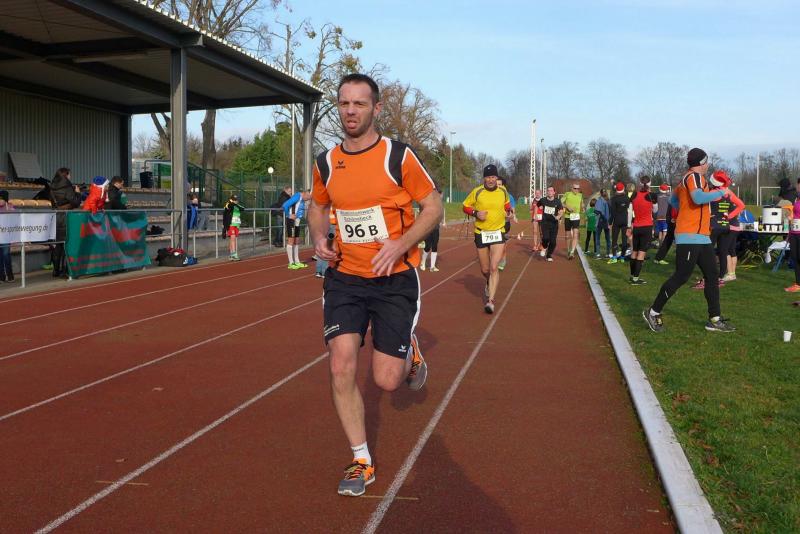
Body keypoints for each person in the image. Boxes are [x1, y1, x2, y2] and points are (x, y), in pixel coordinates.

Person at [307, 73, 442, 497]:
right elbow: (317, 205)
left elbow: (433, 206)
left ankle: (408, 350)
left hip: (393, 278)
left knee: (386, 380)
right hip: (345, 278)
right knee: (340, 364)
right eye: (344, 103)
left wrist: (400, 243)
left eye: (359, 104)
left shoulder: (397, 157)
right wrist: (318, 238)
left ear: (376, 109)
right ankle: (361, 460)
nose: (350, 111)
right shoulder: (326, 162)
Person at [643, 148, 735, 333]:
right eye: (706, 162)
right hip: (690, 236)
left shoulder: (688, 179)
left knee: (712, 276)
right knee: (682, 276)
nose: (708, 165)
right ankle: (653, 312)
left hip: (702, 237)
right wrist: (720, 193)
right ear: (702, 163)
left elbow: (673, 201)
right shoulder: (694, 177)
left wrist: (686, 210)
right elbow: (698, 198)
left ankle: (715, 319)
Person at [463, 164, 513, 313]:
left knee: (494, 267)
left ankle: (490, 301)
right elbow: (465, 206)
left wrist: (509, 211)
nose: (491, 180)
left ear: (496, 177)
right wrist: (476, 213)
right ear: (484, 178)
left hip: (498, 232)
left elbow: (507, 205)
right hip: (481, 233)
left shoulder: (503, 191)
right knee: (485, 269)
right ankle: (488, 281)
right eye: (488, 177)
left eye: (493, 177)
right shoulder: (477, 191)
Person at [696, 170, 744, 288]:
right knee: (723, 252)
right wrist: (729, 217)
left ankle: (707, 277)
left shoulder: (711, 193)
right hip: (726, 226)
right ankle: (720, 278)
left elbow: (700, 205)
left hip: (713, 226)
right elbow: (741, 205)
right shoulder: (728, 192)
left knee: (708, 252)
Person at [49, 167, 81, 278]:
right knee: (67, 244)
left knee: (57, 245)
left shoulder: (52, 187)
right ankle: (65, 270)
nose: (70, 176)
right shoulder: (67, 187)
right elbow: (75, 202)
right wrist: (78, 193)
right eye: (69, 174)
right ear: (66, 175)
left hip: (56, 216)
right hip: (66, 216)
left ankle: (55, 270)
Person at [627, 176, 658, 285]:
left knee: (634, 252)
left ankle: (632, 276)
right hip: (647, 227)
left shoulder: (634, 194)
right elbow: (655, 210)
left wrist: (628, 227)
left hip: (636, 226)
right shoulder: (652, 195)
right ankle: (635, 279)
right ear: (650, 183)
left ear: (640, 183)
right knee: (641, 253)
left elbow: (629, 212)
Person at [282, 189, 312, 269]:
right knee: (291, 241)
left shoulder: (302, 199)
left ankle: (297, 261)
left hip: (297, 221)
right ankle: (291, 263)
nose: (308, 199)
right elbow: (285, 205)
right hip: (291, 221)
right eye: (308, 197)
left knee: (296, 241)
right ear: (306, 193)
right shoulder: (297, 196)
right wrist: (288, 215)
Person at [537, 186, 564, 262]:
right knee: (545, 238)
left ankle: (549, 255)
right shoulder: (543, 200)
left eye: (551, 191)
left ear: (554, 192)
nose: (549, 192)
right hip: (545, 223)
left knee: (553, 242)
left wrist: (558, 216)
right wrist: (538, 210)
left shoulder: (557, 201)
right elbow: (537, 205)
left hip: (554, 224)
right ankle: (544, 247)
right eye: (548, 190)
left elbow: (561, 210)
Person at [495, 177, 517, 271]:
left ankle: (502, 260)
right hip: (492, 224)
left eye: (499, 185)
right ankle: (495, 259)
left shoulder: (509, 196)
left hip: (504, 223)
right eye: (496, 184)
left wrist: (511, 215)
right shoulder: (490, 195)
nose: (497, 186)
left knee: (501, 244)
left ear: (503, 186)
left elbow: (512, 211)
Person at [608, 182, 631, 263]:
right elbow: (628, 209)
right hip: (625, 220)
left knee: (614, 239)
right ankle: (622, 257)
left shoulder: (614, 199)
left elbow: (612, 212)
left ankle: (614, 257)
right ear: (623, 189)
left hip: (617, 220)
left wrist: (610, 223)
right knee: (624, 239)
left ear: (616, 189)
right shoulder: (627, 198)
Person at [420, 191, 442, 272]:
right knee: (427, 246)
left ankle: (432, 267)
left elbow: (440, 213)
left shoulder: (439, 204)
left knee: (435, 246)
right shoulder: (426, 203)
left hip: (436, 228)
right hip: (428, 228)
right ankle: (423, 262)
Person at [562, 182, 583, 259]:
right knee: (567, 235)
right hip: (568, 216)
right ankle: (568, 250)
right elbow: (560, 203)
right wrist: (567, 207)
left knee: (575, 233)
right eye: (575, 188)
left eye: (578, 188)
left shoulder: (580, 195)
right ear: (572, 188)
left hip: (576, 216)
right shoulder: (567, 194)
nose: (577, 190)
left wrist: (582, 207)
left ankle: (572, 252)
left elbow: (581, 204)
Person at [785, 178, 800, 293]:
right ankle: (798, 283)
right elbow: (794, 214)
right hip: (794, 232)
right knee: (795, 257)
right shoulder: (797, 198)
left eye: (798, 185)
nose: (797, 187)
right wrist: (791, 217)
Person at [222, 194, 245, 261]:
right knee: (233, 238)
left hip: (236, 224)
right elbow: (228, 208)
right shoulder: (228, 204)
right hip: (230, 224)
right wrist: (224, 226)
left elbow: (243, 208)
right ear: (231, 200)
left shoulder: (237, 205)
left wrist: (235, 204)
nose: (236, 201)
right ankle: (234, 254)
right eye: (234, 200)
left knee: (232, 239)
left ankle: (231, 254)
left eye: (236, 200)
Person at [0, 190, 14, 283]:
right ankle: (1, 276)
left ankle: (10, 275)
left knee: (6, 255)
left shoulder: (10, 207)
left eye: (1, 199)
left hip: (5, 236)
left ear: (5, 199)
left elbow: (14, 220)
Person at [593, 188, 611, 258]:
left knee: (604, 238)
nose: (604, 193)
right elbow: (596, 211)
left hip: (604, 221)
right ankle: (601, 253)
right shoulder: (604, 201)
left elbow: (596, 211)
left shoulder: (606, 201)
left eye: (604, 192)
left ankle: (606, 253)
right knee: (604, 238)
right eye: (603, 192)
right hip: (602, 221)